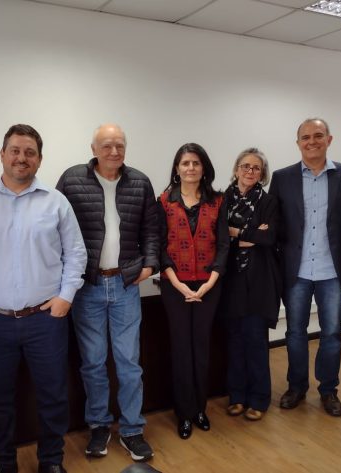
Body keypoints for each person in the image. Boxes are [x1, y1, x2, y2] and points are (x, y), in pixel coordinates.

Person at [0, 124, 87, 473]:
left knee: (53, 395)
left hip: (46, 319)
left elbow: (76, 253)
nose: (21, 158)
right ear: (2, 154)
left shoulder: (56, 202)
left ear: (39, 159)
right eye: (15, 150)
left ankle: (51, 461)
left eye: (30, 152)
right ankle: (2, 462)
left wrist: (66, 297)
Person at [56, 123, 158, 462]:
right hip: (88, 286)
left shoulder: (140, 181)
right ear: (94, 148)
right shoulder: (72, 179)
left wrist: (149, 266)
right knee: (93, 362)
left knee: (129, 363)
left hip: (126, 284)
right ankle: (99, 425)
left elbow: (152, 229)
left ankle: (132, 430)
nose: (114, 151)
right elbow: (56, 229)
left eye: (120, 145)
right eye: (107, 145)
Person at [269, 118, 341, 416]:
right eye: (306, 137)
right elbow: (274, 222)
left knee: (331, 333)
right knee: (295, 332)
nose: (312, 141)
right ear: (298, 143)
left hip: (332, 271)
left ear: (329, 140)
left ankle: (328, 390)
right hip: (295, 271)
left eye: (318, 135)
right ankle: (296, 387)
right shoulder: (282, 177)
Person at [158, 143, 228, 439]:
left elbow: (223, 244)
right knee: (181, 349)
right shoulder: (164, 201)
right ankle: (184, 413)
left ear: (204, 168)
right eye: (185, 163)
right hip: (175, 285)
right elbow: (160, 247)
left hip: (209, 286)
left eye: (195, 163)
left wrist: (209, 283)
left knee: (201, 347)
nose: (190, 168)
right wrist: (178, 284)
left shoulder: (218, 201)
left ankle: (200, 409)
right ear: (177, 168)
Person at [220, 148, 281, 421]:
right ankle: (237, 396)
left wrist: (237, 232)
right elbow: (218, 237)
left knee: (255, 340)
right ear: (236, 169)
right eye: (245, 166)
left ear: (262, 174)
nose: (250, 171)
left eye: (256, 168)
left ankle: (259, 399)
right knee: (234, 340)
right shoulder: (222, 200)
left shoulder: (269, 202)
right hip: (231, 280)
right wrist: (252, 234)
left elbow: (270, 238)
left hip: (258, 280)